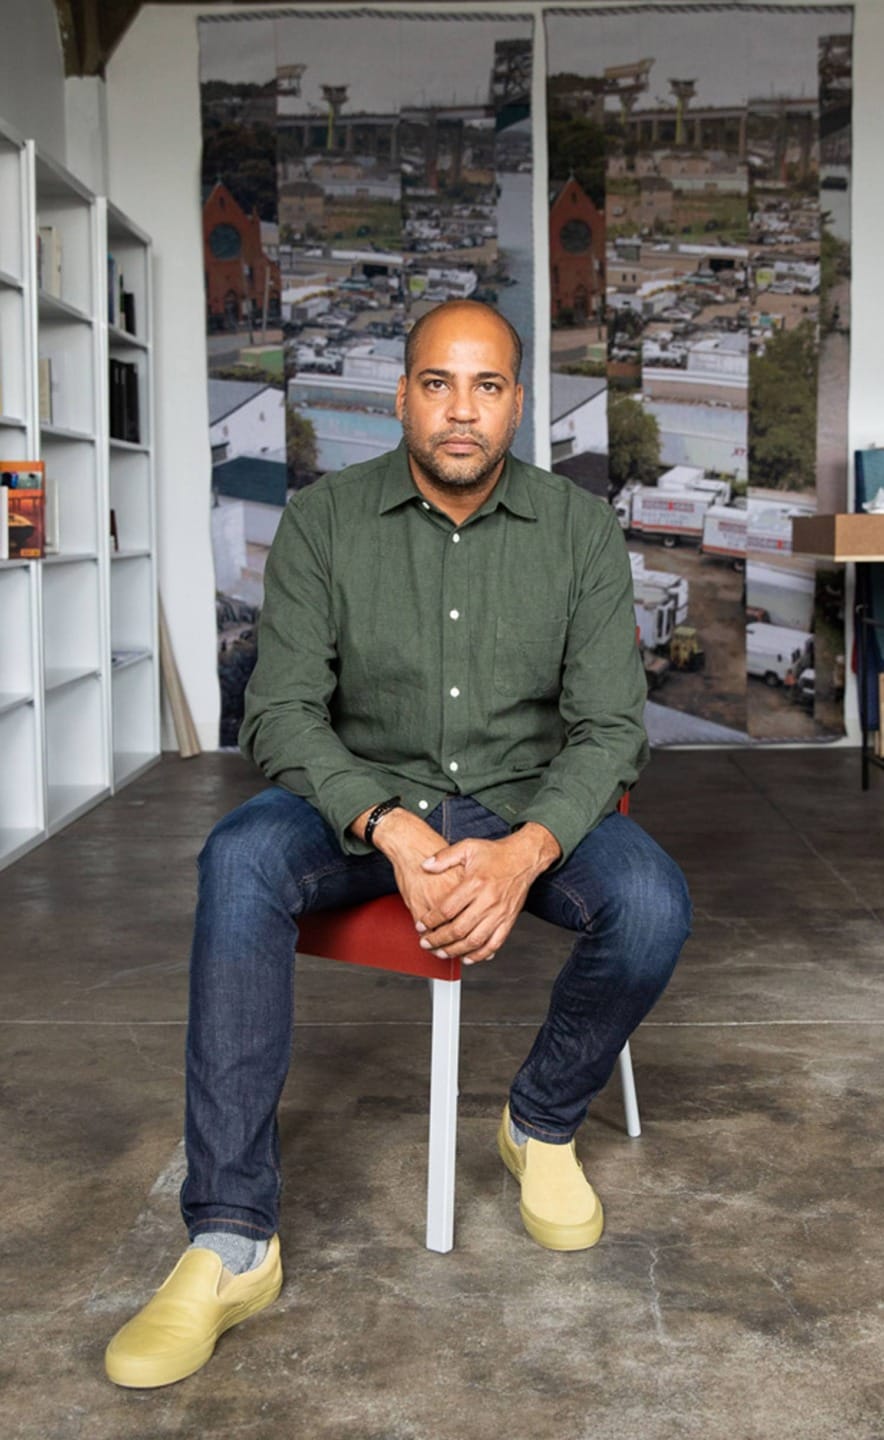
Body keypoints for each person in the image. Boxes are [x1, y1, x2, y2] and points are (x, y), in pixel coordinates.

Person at [105, 300, 691, 1389]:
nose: (459, 412)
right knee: (236, 857)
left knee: (652, 903)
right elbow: (277, 713)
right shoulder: (326, 521)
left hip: (524, 804)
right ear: (400, 397)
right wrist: (384, 822)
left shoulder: (576, 528)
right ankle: (232, 1238)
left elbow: (612, 728)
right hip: (365, 804)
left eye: (484, 386)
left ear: (518, 401)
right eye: (436, 384)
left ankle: (540, 1122)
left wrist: (521, 851)